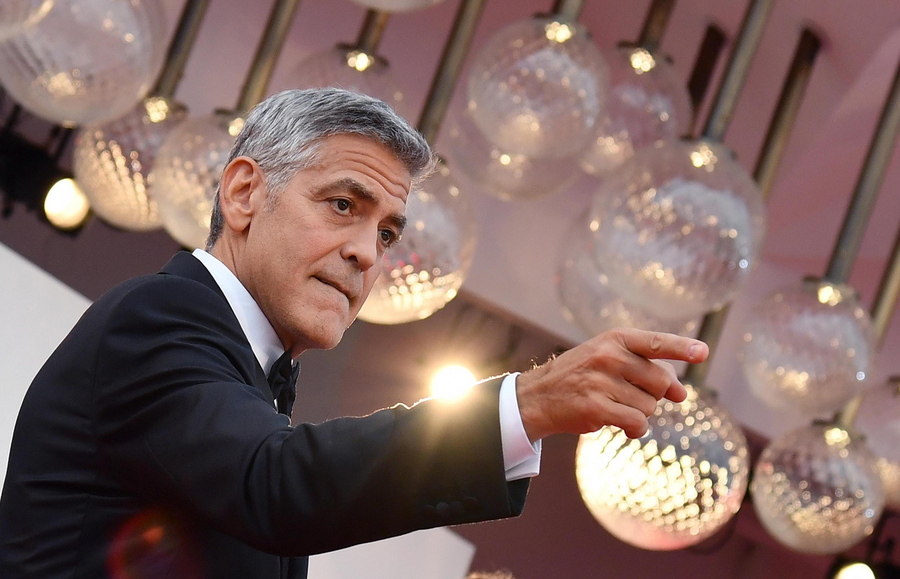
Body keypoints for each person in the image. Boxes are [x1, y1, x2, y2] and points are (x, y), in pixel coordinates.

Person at [0, 88, 708, 578]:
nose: (368, 253)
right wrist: (526, 403)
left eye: (387, 232)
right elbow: (276, 484)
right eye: (343, 205)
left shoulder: (250, 381)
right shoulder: (156, 319)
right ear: (244, 193)